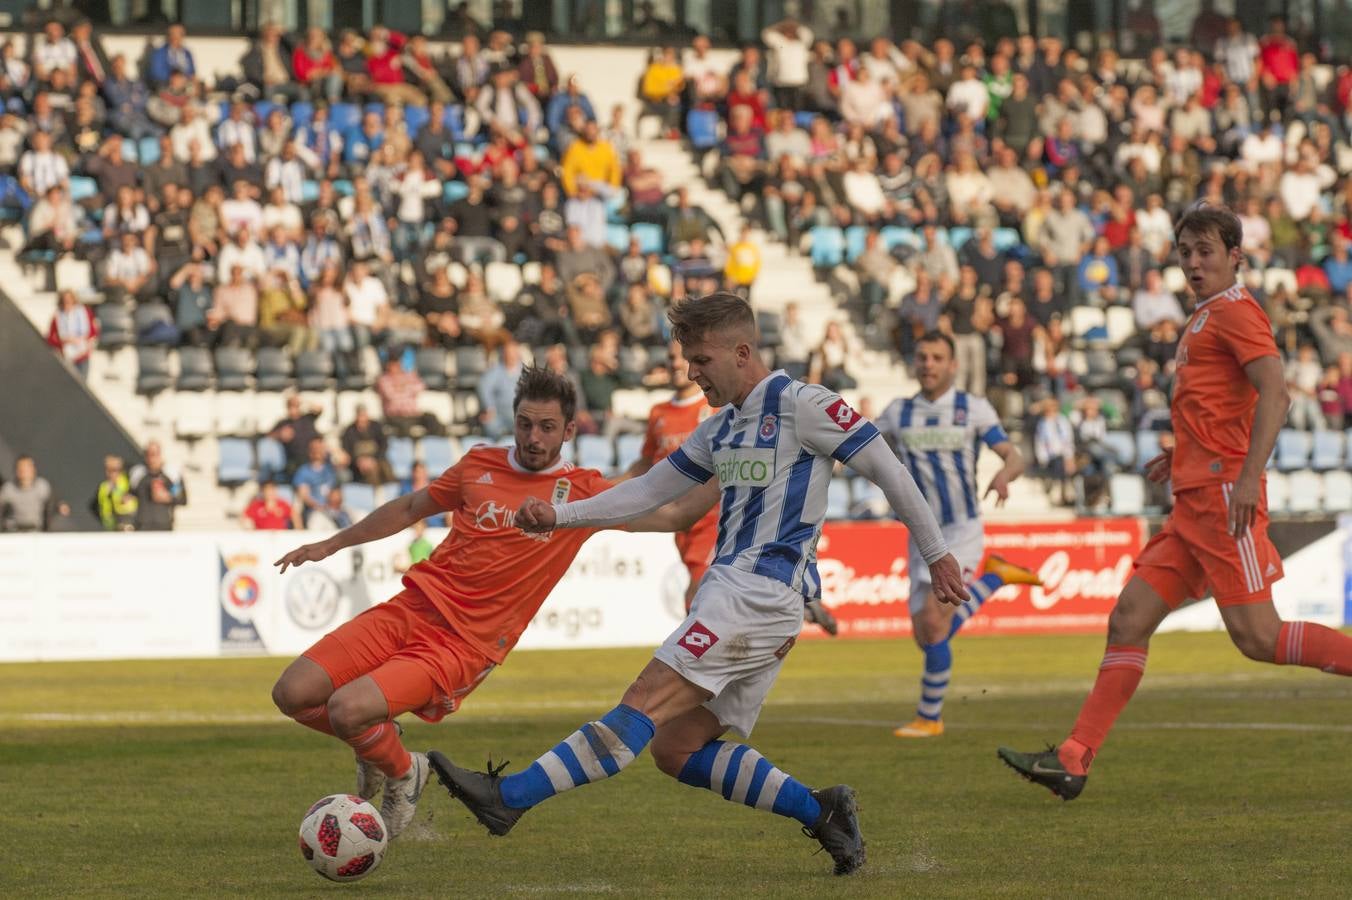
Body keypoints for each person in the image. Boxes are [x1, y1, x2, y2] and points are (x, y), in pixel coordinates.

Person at [429, 293, 966, 876]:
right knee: (675, 748)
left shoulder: (803, 404)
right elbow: (651, 490)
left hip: (758, 594)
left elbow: (887, 467)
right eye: (687, 359)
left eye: (701, 359)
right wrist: (562, 516)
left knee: (644, 702)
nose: (691, 372)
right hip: (741, 596)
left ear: (741, 352)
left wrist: (937, 555)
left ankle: (509, 799)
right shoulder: (723, 427)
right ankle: (822, 811)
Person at [270, 366, 718, 840]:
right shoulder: (477, 464)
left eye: (547, 427)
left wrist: (728, 473)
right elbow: (409, 508)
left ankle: (403, 771)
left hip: (464, 645)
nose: (533, 436)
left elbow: (675, 514)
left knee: (347, 709)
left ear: (569, 430)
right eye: (525, 423)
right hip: (409, 608)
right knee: (292, 693)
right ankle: (381, 745)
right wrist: (331, 544)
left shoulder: (585, 493)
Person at [997, 203, 1352, 800]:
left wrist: (1245, 477)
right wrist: (1180, 452)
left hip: (1221, 499)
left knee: (1258, 638)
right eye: (1185, 252)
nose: (1192, 262)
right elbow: (1221, 406)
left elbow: (1277, 394)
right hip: (1192, 500)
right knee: (1129, 619)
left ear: (1235, 256)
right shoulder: (1203, 318)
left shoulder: (1237, 312)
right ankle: (1073, 757)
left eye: (1205, 251)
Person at [878, 332, 1040, 738]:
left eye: (937, 357)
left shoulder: (973, 408)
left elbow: (1014, 455)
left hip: (961, 530)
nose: (928, 364)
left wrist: (1005, 474)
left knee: (934, 624)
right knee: (926, 635)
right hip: (920, 535)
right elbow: (861, 447)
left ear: (953, 365)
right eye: (922, 357)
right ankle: (996, 577)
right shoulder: (898, 412)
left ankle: (929, 719)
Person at [129, 441, 186, 531]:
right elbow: (130, 495)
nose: (151, 458)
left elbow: (182, 499)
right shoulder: (137, 473)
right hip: (142, 527)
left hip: (164, 527)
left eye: (154, 454)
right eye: (148, 454)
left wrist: (167, 497)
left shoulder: (172, 474)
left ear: (160, 454)